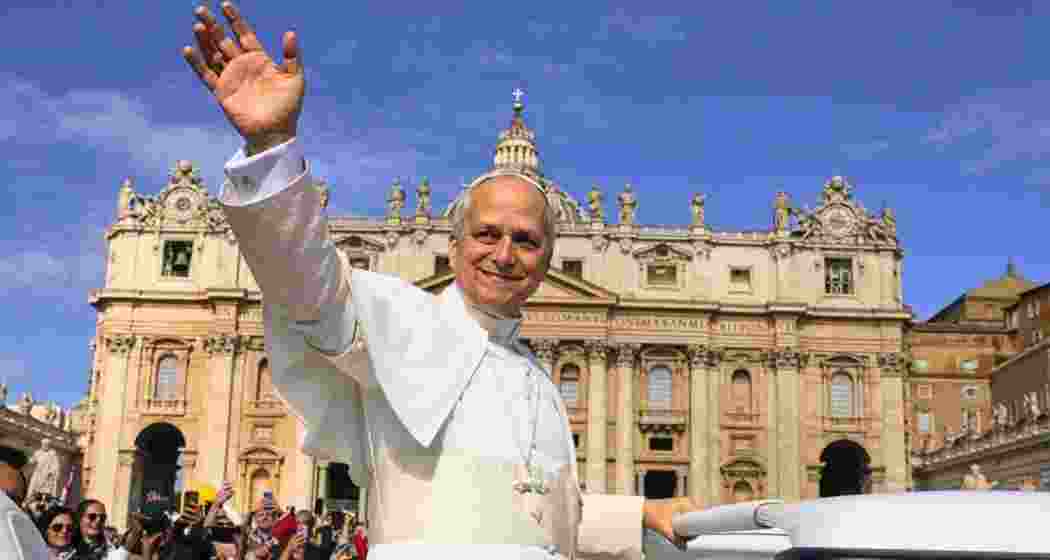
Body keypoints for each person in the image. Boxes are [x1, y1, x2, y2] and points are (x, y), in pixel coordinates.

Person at [182, 3, 702, 558]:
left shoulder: (540, 384)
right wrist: (271, 150)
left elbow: (544, 514)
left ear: (548, 261)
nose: (504, 254)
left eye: (525, 240)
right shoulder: (396, 320)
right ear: (451, 248)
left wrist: (646, 509)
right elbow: (305, 280)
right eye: (487, 234)